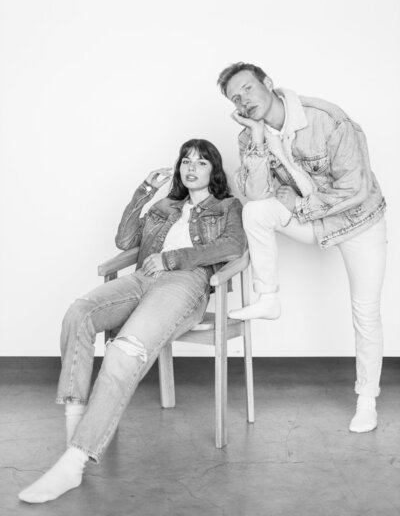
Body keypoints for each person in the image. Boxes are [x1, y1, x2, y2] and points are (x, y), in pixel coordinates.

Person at [18, 138, 246, 504]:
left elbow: (233, 247)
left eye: (201, 163)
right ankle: (75, 430)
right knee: (79, 313)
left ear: (214, 171)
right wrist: (143, 192)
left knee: (124, 351)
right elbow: (125, 239)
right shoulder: (166, 205)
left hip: (184, 284)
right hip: (141, 279)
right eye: (185, 161)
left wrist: (173, 260)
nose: (191, 167)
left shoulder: (227, 206)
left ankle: (74, 462)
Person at [217, 62, 387, 434]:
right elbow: (259, 196)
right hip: (314, 220)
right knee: (257, 212)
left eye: (247, 89)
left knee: (366, 311)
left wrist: (298, 207)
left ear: (269, 84)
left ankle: (366, 399)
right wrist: (258, 136)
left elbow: (354, 189)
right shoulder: (249, 136)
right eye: (235, 98)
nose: (243, 101)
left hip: (359, 220)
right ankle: (268, 296)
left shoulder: (327, 119)